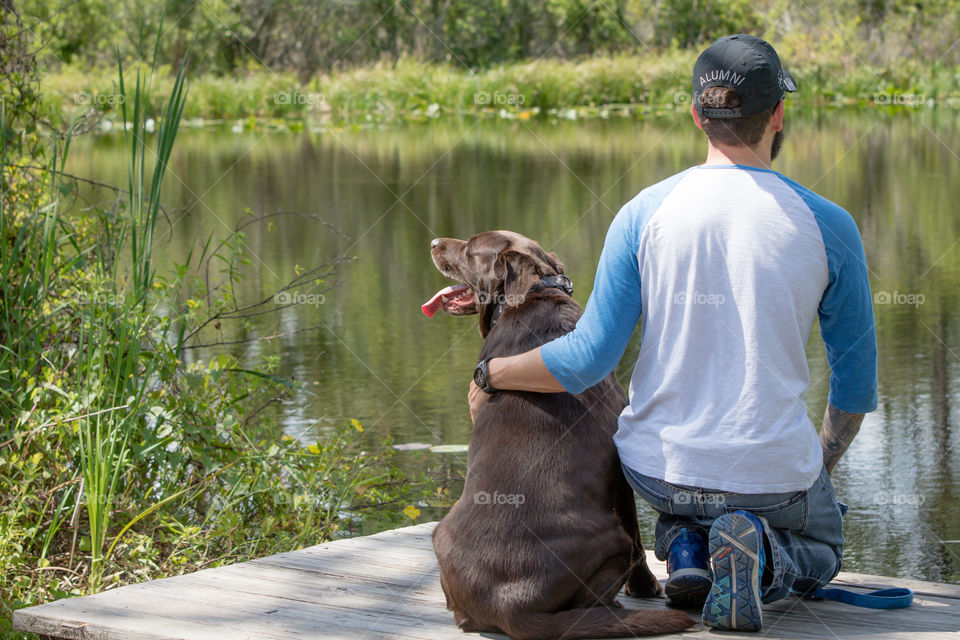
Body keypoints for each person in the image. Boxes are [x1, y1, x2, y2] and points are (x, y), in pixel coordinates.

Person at [467, 34, 877, 632]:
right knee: (823, 545)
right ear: (779, 115)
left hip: (661, 472)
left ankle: (686, 551)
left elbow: (586, 359)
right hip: (771, 474)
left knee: (691, 504)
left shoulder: (642, 213)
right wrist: (811, 465)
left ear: (696, 115)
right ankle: (760, 561)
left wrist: (491, 372)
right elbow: (856, 386)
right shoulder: (829, 224)